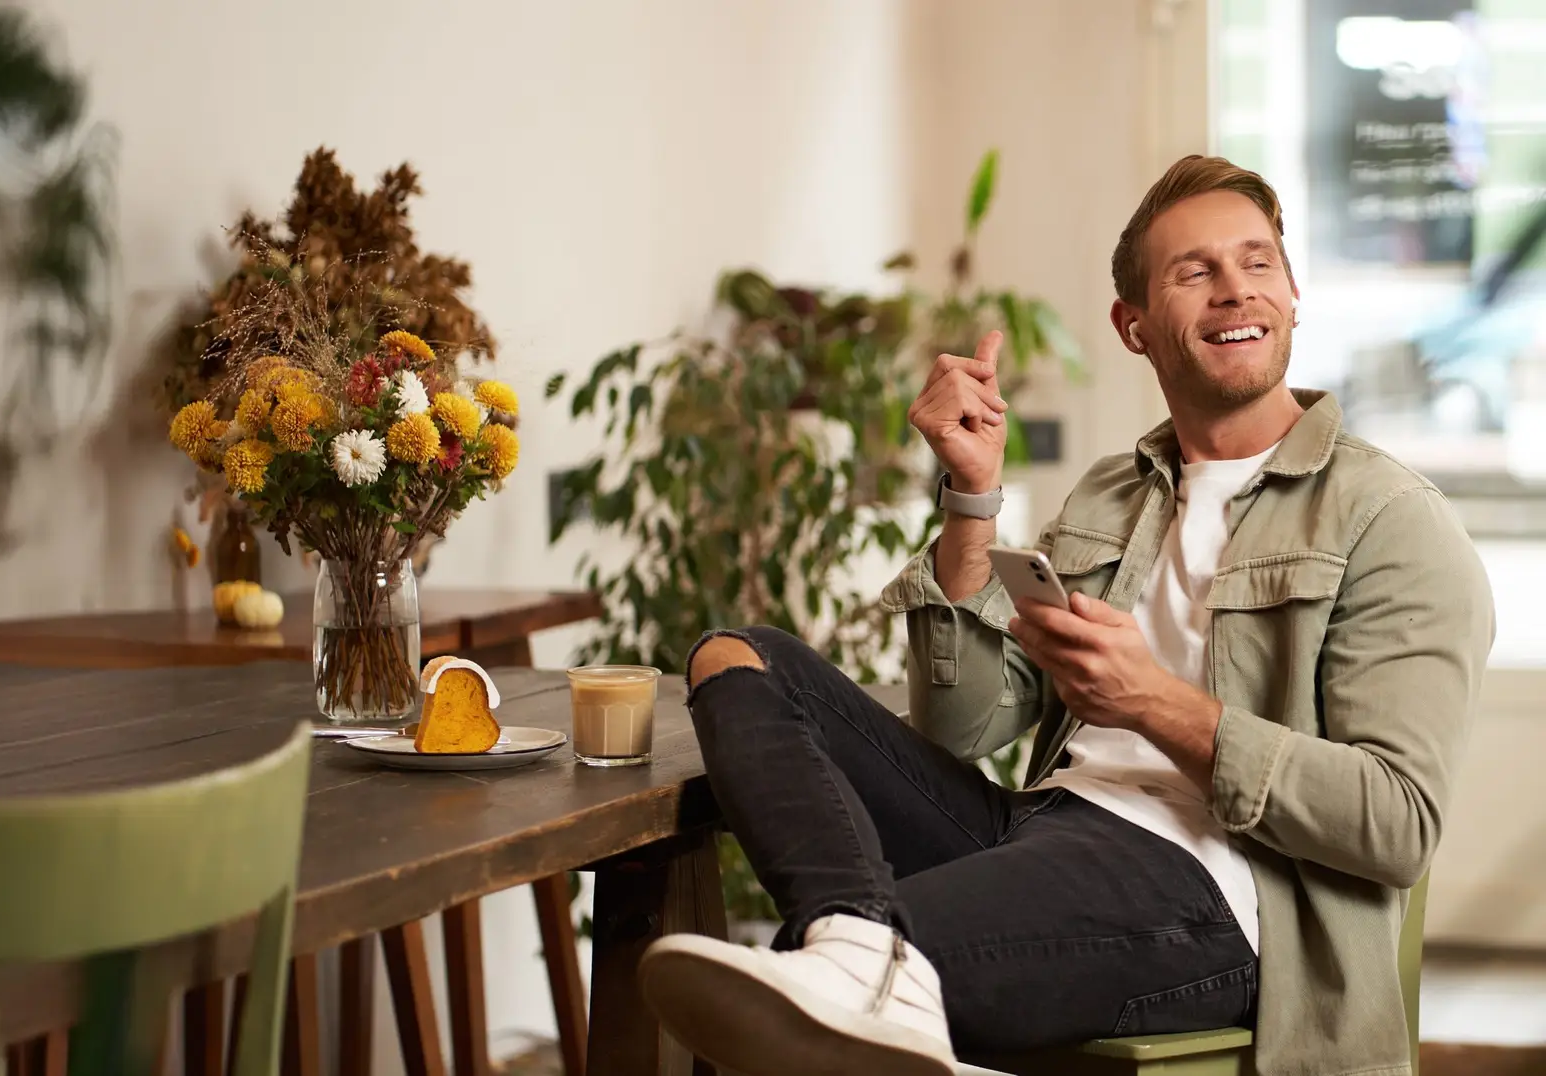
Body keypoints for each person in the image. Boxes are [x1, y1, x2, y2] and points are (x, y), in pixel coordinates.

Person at [637, 155, 1495, 1076]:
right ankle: (861, 945)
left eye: (1257, 263)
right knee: (739, 659)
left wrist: (1153, 701)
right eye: (1194, 271)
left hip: (1219, 892)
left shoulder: (1387, 517)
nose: (1234, 289)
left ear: (1291, 294)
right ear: (1135, 326)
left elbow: (1396, 825)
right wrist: (972, 498)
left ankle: (861, 959)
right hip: (1044, 823)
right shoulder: (1110, 495)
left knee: (797, 994)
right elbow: (963, 729)